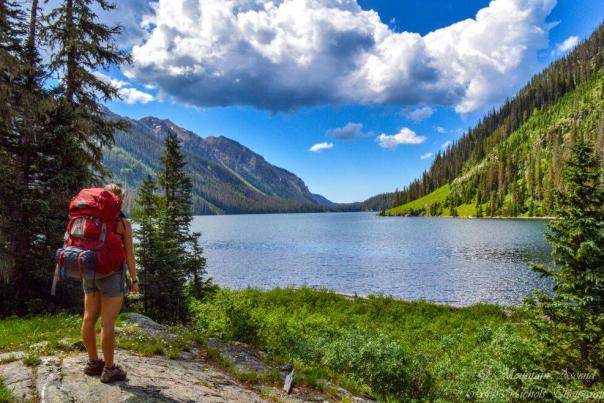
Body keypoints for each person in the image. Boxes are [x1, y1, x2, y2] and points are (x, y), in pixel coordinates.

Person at [81, 183, 138, 383]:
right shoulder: (123, 224)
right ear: (119, 200)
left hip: (89, 271)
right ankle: (109, 369)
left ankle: (93, 363)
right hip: (112, 275)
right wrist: (134, 278)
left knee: (88, 318)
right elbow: (129, 254)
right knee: (107, 323)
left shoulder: (90, 218)